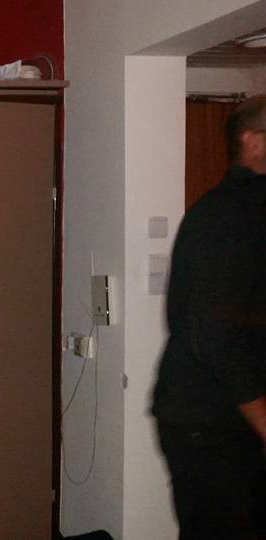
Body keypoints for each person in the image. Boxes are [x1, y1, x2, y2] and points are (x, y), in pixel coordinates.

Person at [152, 95, 266, 539]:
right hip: (209, 421)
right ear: (252, 141)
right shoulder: (224, 217)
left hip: (231, 416)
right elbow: (215, 334)